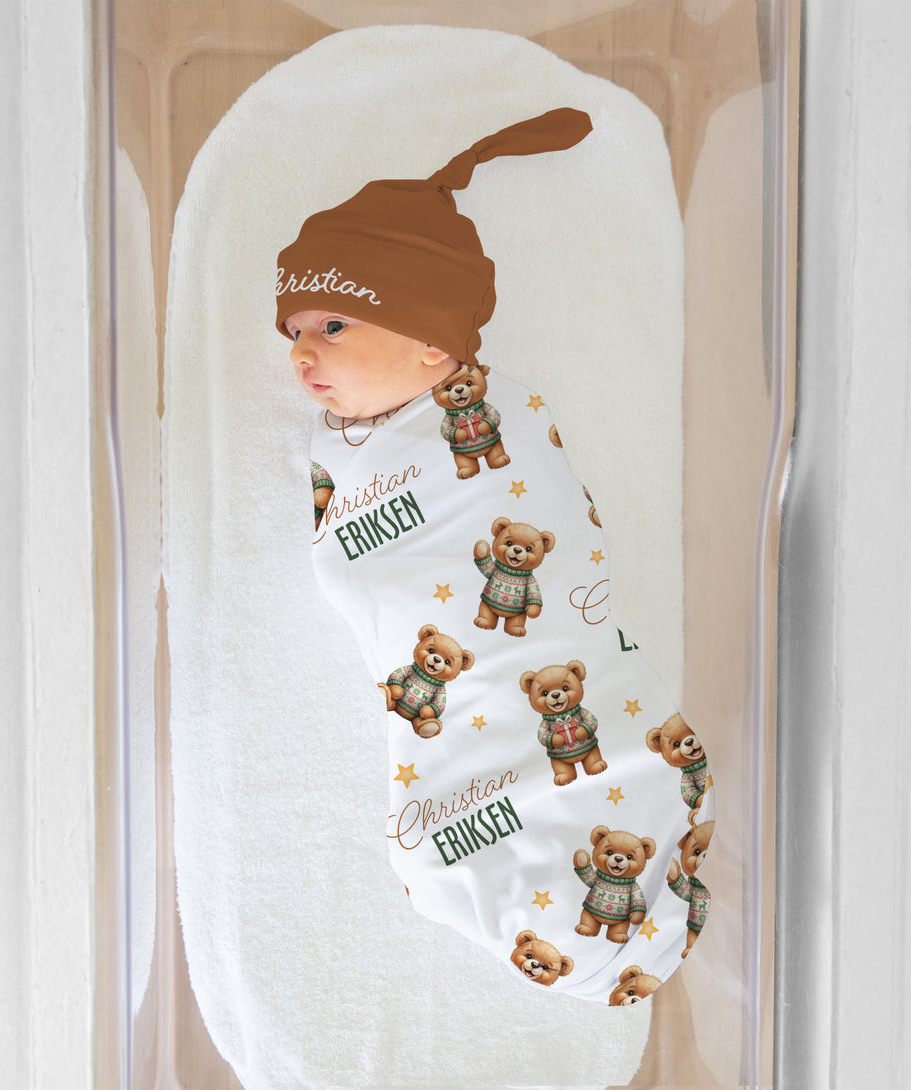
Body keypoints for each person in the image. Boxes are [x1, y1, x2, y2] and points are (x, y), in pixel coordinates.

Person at [275, 108, 714, 1004]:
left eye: (334, 326)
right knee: (453, 813)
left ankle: (595, 854)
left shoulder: (496, 418)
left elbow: (550, 542)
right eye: (294, 332)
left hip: (531, 660)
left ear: (432, 342)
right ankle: (542, 870)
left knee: (515, 757)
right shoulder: (352, 454)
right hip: (457, 700)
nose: (302, 353)